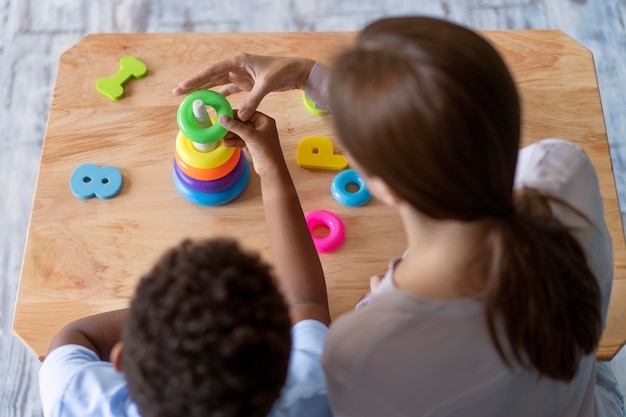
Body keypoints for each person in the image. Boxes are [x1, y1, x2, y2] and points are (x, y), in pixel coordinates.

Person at [173, 16, 624, 417]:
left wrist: (383, 306)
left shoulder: (363, 355)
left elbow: (306, 310)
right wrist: (312, 76)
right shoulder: (562, 171)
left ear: (380, 185)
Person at [39, 110, 333, 416]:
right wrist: (270, 167)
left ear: (121, 360)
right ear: (282, 369)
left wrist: (167, 315)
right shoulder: (312, 391)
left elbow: (73, 336)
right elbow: (305, 301)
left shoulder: (74, 398)